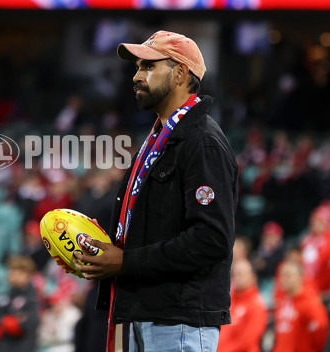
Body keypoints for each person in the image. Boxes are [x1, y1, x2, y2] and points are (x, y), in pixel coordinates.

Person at [73, 30, 238, 352]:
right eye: (137, 67)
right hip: (144, 311)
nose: (137, 76)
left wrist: (126, 262)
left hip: (178, 320)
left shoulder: (201, 142)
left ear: (180, 73)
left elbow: (211, 238)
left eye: (149, 67)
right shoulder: (158, 138)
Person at [0, 255, 39, 352]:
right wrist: (6, 323)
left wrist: (9, 324)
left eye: (19, 272)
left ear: (28, 275)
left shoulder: (32, 298)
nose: (14, 275)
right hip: (1, 347)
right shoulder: (4, 296)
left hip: (22, 347)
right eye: (12, 271)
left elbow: (28, 325)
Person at [272, 261, 329, 352]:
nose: (283, 279)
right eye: (281, 276)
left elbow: (321, 332)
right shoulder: (282, 302)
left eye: (288, 275)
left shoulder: (310, 302)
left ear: (300, 277)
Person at [217, 259, 267, 352]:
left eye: (240, 274)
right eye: (234, 274)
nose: (237, 277)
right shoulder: (229, 301)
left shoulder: (256, 304)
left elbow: (248, 341)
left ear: (253, 277)